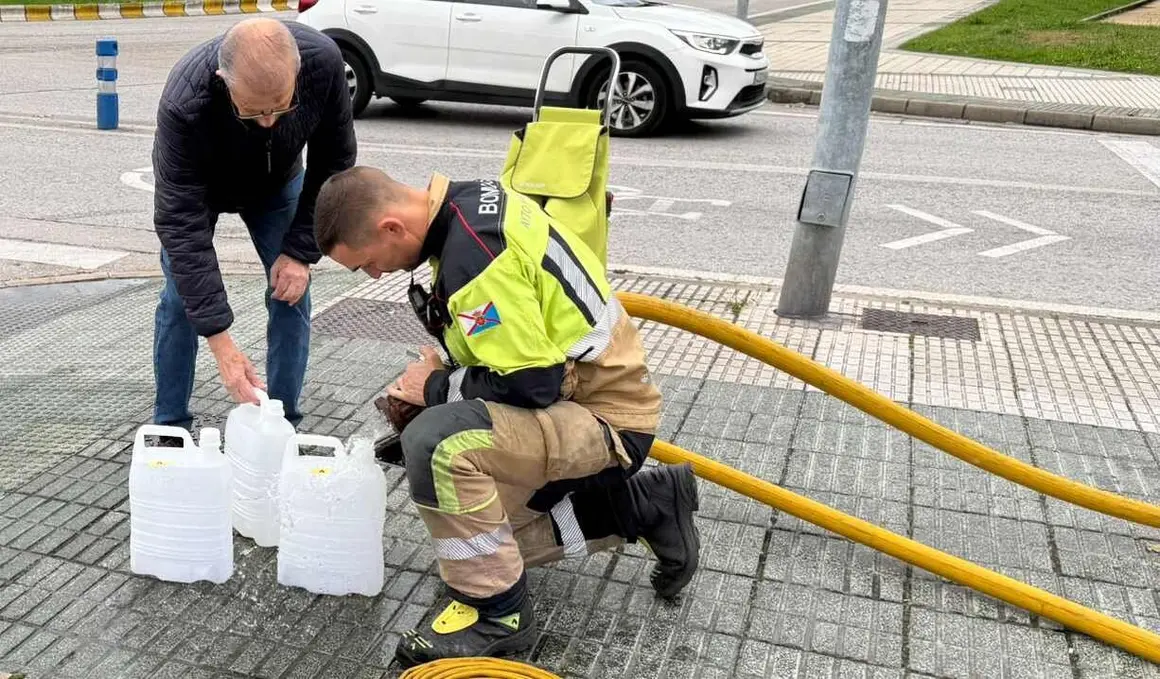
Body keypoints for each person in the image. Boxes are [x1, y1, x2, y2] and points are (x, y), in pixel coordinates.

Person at [312, 166, 702, 667]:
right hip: (589, 398)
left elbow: (531, 384)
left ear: (392, 228)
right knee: (491, 546)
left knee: (436, 444)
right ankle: (646, 504)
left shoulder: (473, 260)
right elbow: (516, 343)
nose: (376, 276)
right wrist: (443, 369)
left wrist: (434, 389)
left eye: (367, 264)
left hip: (603, 419)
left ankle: (499, 617)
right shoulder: (469, 206)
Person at [150, 17, 357, 435]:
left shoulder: (322, 63)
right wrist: (221, 342)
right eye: (253, 110)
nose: (268, 122)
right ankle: (170, 424)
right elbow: (180, 223)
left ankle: (282, 421)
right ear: (223, 80)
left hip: (277, 182)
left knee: (292, 292)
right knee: (180, 300)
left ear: (297, 73)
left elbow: (334, 162)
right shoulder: (184, 101)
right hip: (201, 192)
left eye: (280, 107)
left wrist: (301, 252)